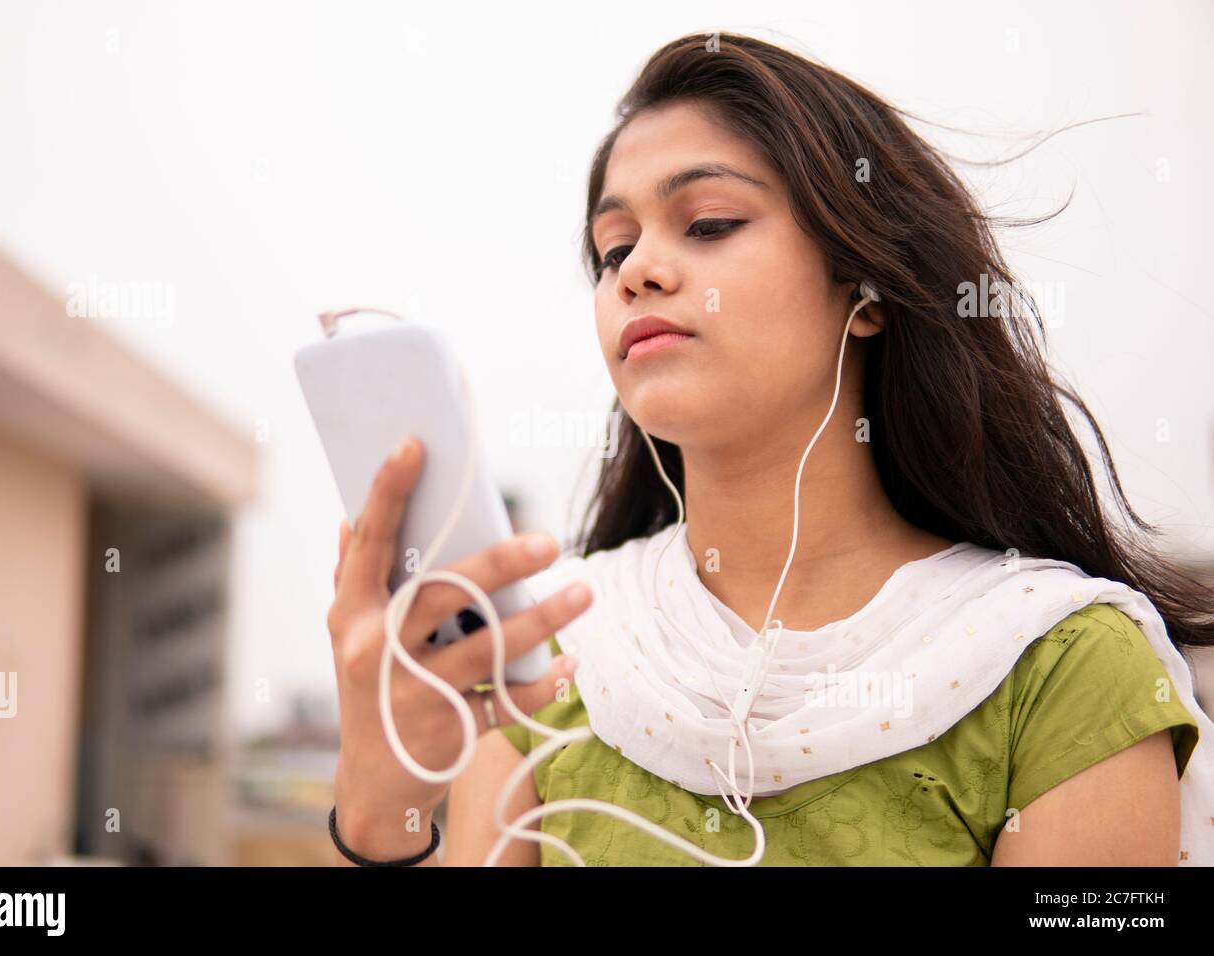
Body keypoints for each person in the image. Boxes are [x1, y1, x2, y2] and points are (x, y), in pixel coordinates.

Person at [324, 32, 1211, 867]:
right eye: (613, 248)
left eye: (708, 223)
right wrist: (378, 804)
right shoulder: (554, 656)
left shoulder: (1062, 665)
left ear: (862, 290)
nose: (636, 271)